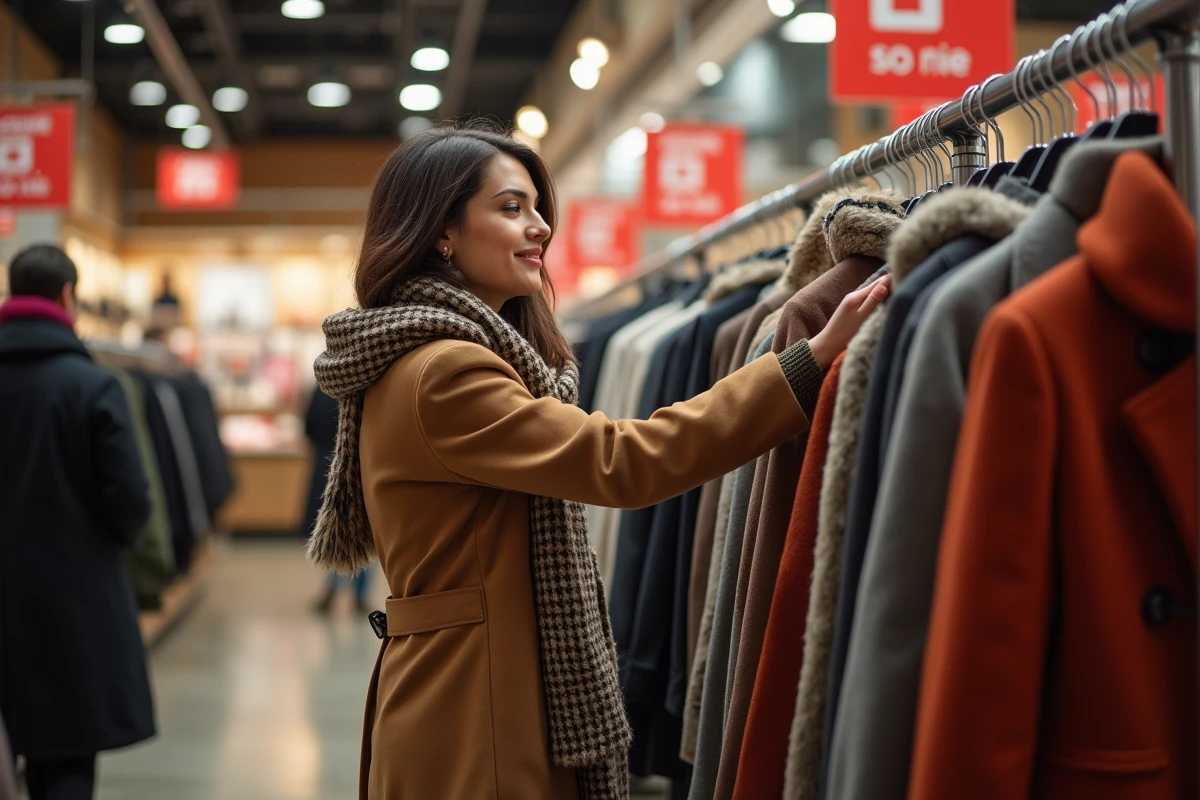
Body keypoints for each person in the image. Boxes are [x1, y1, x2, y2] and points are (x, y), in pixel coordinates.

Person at [306, 123, 889, 800]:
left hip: (474, 688)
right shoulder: (446, 371)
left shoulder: (436, 356)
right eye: (511, 208)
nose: (540, 228)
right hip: (478, 709)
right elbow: (622, 461)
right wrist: (804, 363)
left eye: (537, 208)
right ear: (442, 232)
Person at [0, 245, 156, 800]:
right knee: (65, 761)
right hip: (73, 603)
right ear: (68, 297)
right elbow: (131, 499)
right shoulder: (92, 386)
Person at [303, 384, 370, 612]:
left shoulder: (324, 384)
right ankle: (360, 594)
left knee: (332, 524)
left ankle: (332, 586)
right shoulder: (366, 382)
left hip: (326, 463)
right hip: (361, 463)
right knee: (363, 527)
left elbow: (309, 426)